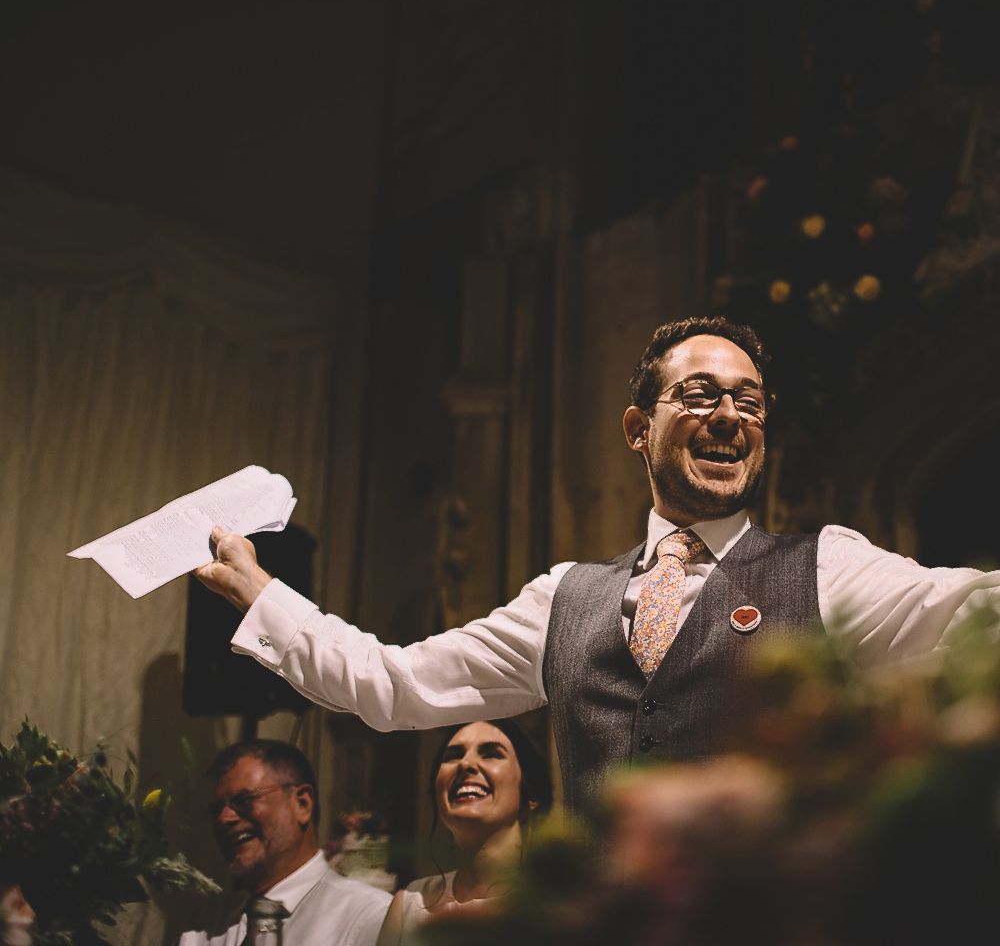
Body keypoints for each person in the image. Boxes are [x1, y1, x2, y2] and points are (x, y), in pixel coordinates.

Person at [193, 316, 1000, 814]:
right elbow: (393, 686)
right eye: (698, 394)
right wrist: (262, 594)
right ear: (637, 429)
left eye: (748, 402)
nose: (728, 415)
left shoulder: (826, 569)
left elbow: (979, 612)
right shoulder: (564, 599)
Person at [177, 739, 390, 946]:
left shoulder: (370, 918)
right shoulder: (204, 926)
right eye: (216, 809)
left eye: (244, 801)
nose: (224, 818)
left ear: (302, 804)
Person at [376, 718, 553, 945]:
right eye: (452, 756)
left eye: (491, 754)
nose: (465, 764)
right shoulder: (409, 904)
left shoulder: (560, 907)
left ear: (532, 794)